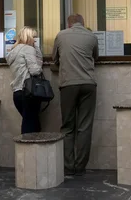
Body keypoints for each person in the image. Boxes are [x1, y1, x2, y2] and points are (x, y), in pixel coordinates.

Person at [51, 14, 99, 177]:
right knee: (85, 127)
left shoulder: (61, 35)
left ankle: (68, 166)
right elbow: (95, 58)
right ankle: (80, 167)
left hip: (68, 85)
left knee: (67, 126)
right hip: (88, 84)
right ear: (83, 23)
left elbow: (54, 59)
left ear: (69, 24)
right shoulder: (91, 36)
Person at [6, 27, 43, 134]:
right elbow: (35, 71)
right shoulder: (28, 49)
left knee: (31, 122)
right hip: (29, 92)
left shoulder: (13, 51)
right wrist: (39, 66)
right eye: (34, 37)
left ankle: (30, 150)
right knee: (30, 125)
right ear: (29, 37)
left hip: (17, 93)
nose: (36, 40)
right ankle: (28, 150)